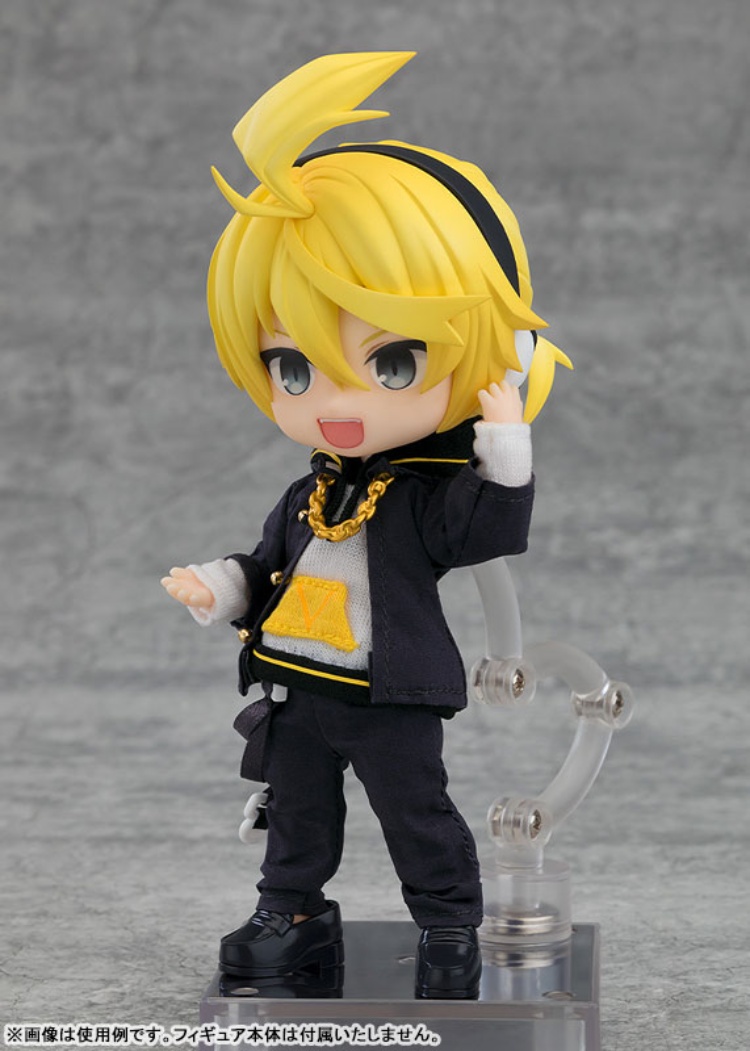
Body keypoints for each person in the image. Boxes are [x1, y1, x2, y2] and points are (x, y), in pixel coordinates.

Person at [161, 51, 570, 999]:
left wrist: (505, 443)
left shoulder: (423, 492)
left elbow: (484, 532)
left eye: (391, 364)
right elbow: (267, 566)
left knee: (414, 811)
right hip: (299, 688)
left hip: (390, 696)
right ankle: (292, 914)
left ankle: (448, 925)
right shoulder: (309, 490)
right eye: (293, 368)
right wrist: (217, 584)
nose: (335, 402)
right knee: (296, 812)